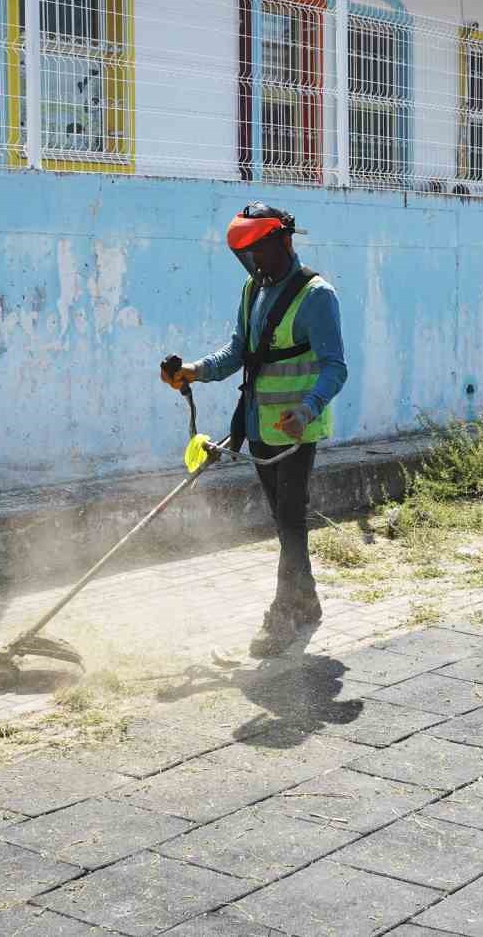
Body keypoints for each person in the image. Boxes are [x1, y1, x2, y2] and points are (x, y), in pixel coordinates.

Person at [162, 203, 347, 656]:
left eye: (260, 252)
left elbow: (335, 368)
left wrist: (306, 410)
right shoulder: (252, 290)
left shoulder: (317, 296)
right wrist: (193, 370)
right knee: (286, 525)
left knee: (290, 520)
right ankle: (307, 602)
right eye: (247, 256)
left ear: (284, 241)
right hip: (259, 426)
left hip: (297, 433)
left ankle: (284, 615)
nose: (256, 263)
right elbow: (237, 352)